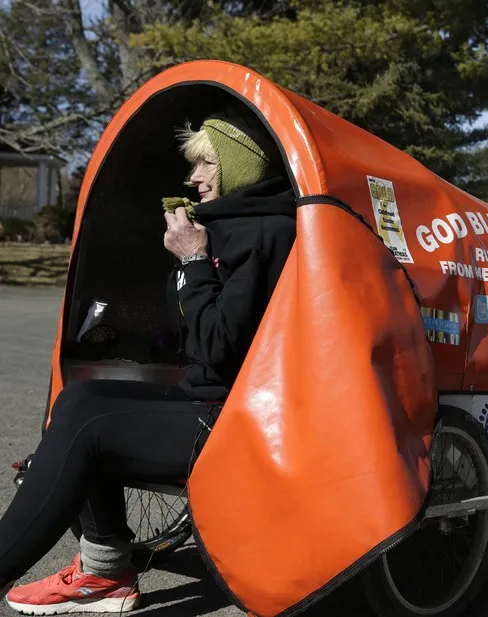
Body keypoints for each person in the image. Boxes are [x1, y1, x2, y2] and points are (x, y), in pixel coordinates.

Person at [0, 105, 298, 614]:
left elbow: (218, 347)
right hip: (208, 397)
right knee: (82, 397)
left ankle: (96, 572)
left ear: (239, 166)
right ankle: (104, 573)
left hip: (240, 418)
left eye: (207, 164)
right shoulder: (223, 228)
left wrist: (193, 261)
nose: (193, 176)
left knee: (87, 425)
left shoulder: (266, 233)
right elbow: (189, 336)